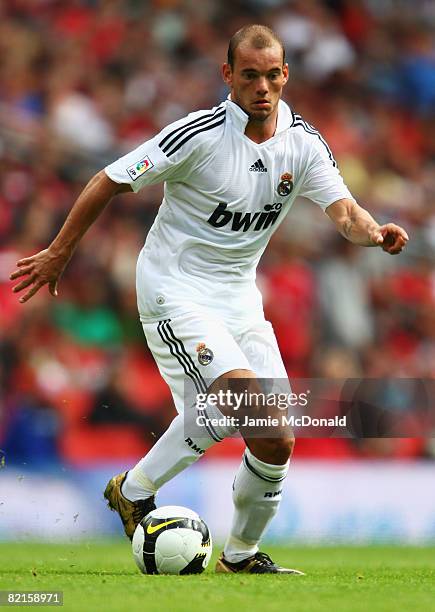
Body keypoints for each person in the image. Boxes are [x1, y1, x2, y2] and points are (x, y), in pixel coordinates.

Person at [10, 25, 408, 574]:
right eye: (250, 75)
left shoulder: (304, 143)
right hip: (176, 290)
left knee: (277, 439)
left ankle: (232, 552)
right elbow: (108, 179)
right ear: (228, 76)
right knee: (247, 404)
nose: (263, 87)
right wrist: (59, 252)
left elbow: (344, 212)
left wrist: (375, 233)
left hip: (240, 300)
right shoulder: (197, 136)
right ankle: (138, 487)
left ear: (286, 75)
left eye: (272, 75)